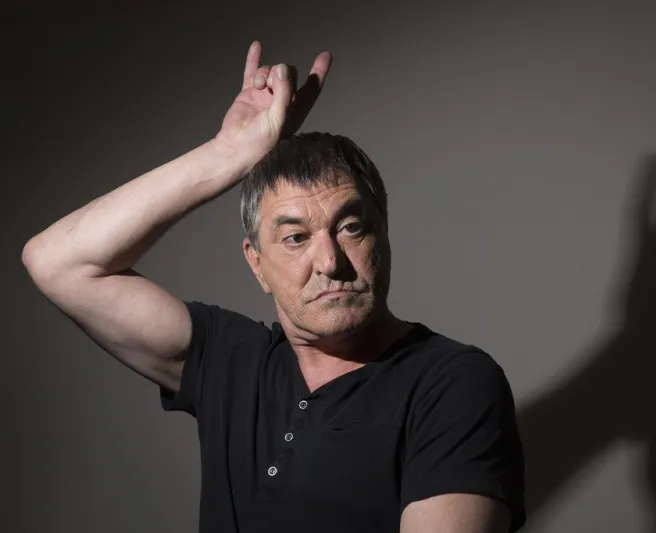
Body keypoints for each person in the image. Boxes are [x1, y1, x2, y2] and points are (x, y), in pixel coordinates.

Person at [22, 41, 526, 533]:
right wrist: (227, 155)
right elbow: (57, 261)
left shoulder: (452, 383)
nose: (329, 261)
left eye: (351, 228)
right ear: (257, 264)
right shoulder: (230, 360)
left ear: (384, 234)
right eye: (295, 238)